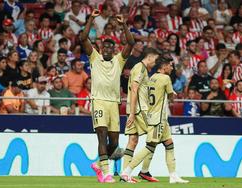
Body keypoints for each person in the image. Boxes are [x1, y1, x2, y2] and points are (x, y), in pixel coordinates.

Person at [80, 10, 134, 183]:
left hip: (114, 104)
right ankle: (106, 174)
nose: (108, 49)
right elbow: (83, 39)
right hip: (99, 102)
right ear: (101, 49)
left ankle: (98, 164)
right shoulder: (94, 58)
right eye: (105, 47)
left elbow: (131, 43)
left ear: (114, 49)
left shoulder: (119, 60)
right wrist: (91, 19)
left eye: (111, 47)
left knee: (114, 143)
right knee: (102, 135)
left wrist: (124, 23)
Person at [121, 57, 189, 184]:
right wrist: (171, 94)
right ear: (164, 66)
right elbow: (171, 97)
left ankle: (173, 175)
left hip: (157, 116)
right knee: (150, 146)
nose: (172, 68)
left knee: (169, 143)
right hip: (158, 118)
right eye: (170, 65)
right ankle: (127, 172)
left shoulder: (151, 78)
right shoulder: (166, 78)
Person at [123, 48, 160, 183]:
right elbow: (134, 89)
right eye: (155, 60)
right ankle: (144, 171)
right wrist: (133, 113)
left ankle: (124, 174)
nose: (155, 64)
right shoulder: (140, 68)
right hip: (139, 110)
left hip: (133, 109)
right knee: (154, 137)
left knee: (133, 140)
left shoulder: (141, 68)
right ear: (149, 57)